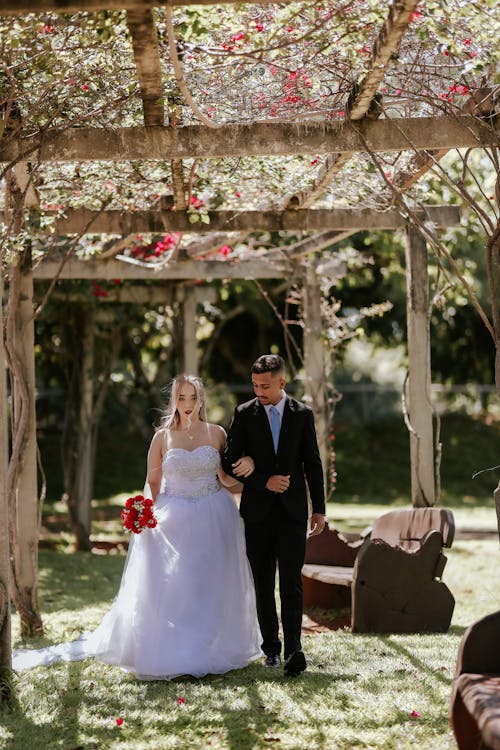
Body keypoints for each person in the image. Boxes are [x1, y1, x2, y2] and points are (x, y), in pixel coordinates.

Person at [13, 374, 262, 679]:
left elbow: (226, 478)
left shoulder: (217, 434)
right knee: (177, 583)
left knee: (209, 579)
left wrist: (248, 471)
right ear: (174, 400)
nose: (187, 404)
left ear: (201, 400)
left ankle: (210, 643)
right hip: (174, 514)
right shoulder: (162, 437)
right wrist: (145, 504)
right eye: (181, 398)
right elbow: (153, 482)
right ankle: (179, 646)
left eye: (193, 398)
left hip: (213, 513)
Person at [223, 354, 326, 677]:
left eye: (265, 385)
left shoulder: (302, 414)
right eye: (255, 385)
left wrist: (319, 508)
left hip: (294, 512)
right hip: (257, 513)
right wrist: (260, 477)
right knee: (264, 583)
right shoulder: (244, 414)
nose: (259, 391)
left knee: (292, 583)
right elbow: (228, 461)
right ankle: (271, 649)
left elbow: (313, 462)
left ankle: (295, 647)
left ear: (282, 382)